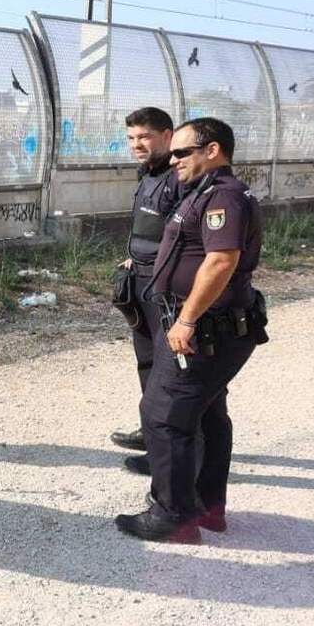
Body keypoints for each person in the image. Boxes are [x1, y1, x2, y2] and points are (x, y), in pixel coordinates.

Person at [117, 116, 267, 544]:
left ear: (213, 150)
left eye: (183, 152)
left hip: (205, 327)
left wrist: (186, 319)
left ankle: (174, 516)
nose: (175, 159)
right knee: (208, 413)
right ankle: (207, 507)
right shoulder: (203, 192)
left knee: (163, 415)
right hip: (210, 326)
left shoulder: (224, 197)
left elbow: (221, 261)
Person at [110, 107, 189, 455]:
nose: (136, 144)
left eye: (144, 136)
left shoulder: (180, 176)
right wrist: (135, 257)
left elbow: (184, 234)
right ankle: (152, 431)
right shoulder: (148, 174)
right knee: (147, 361)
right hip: (139, 279)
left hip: (165, 287)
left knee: (170, 368)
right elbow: (150, 225)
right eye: (131, 138)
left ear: (167, 136)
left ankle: (174, 440)